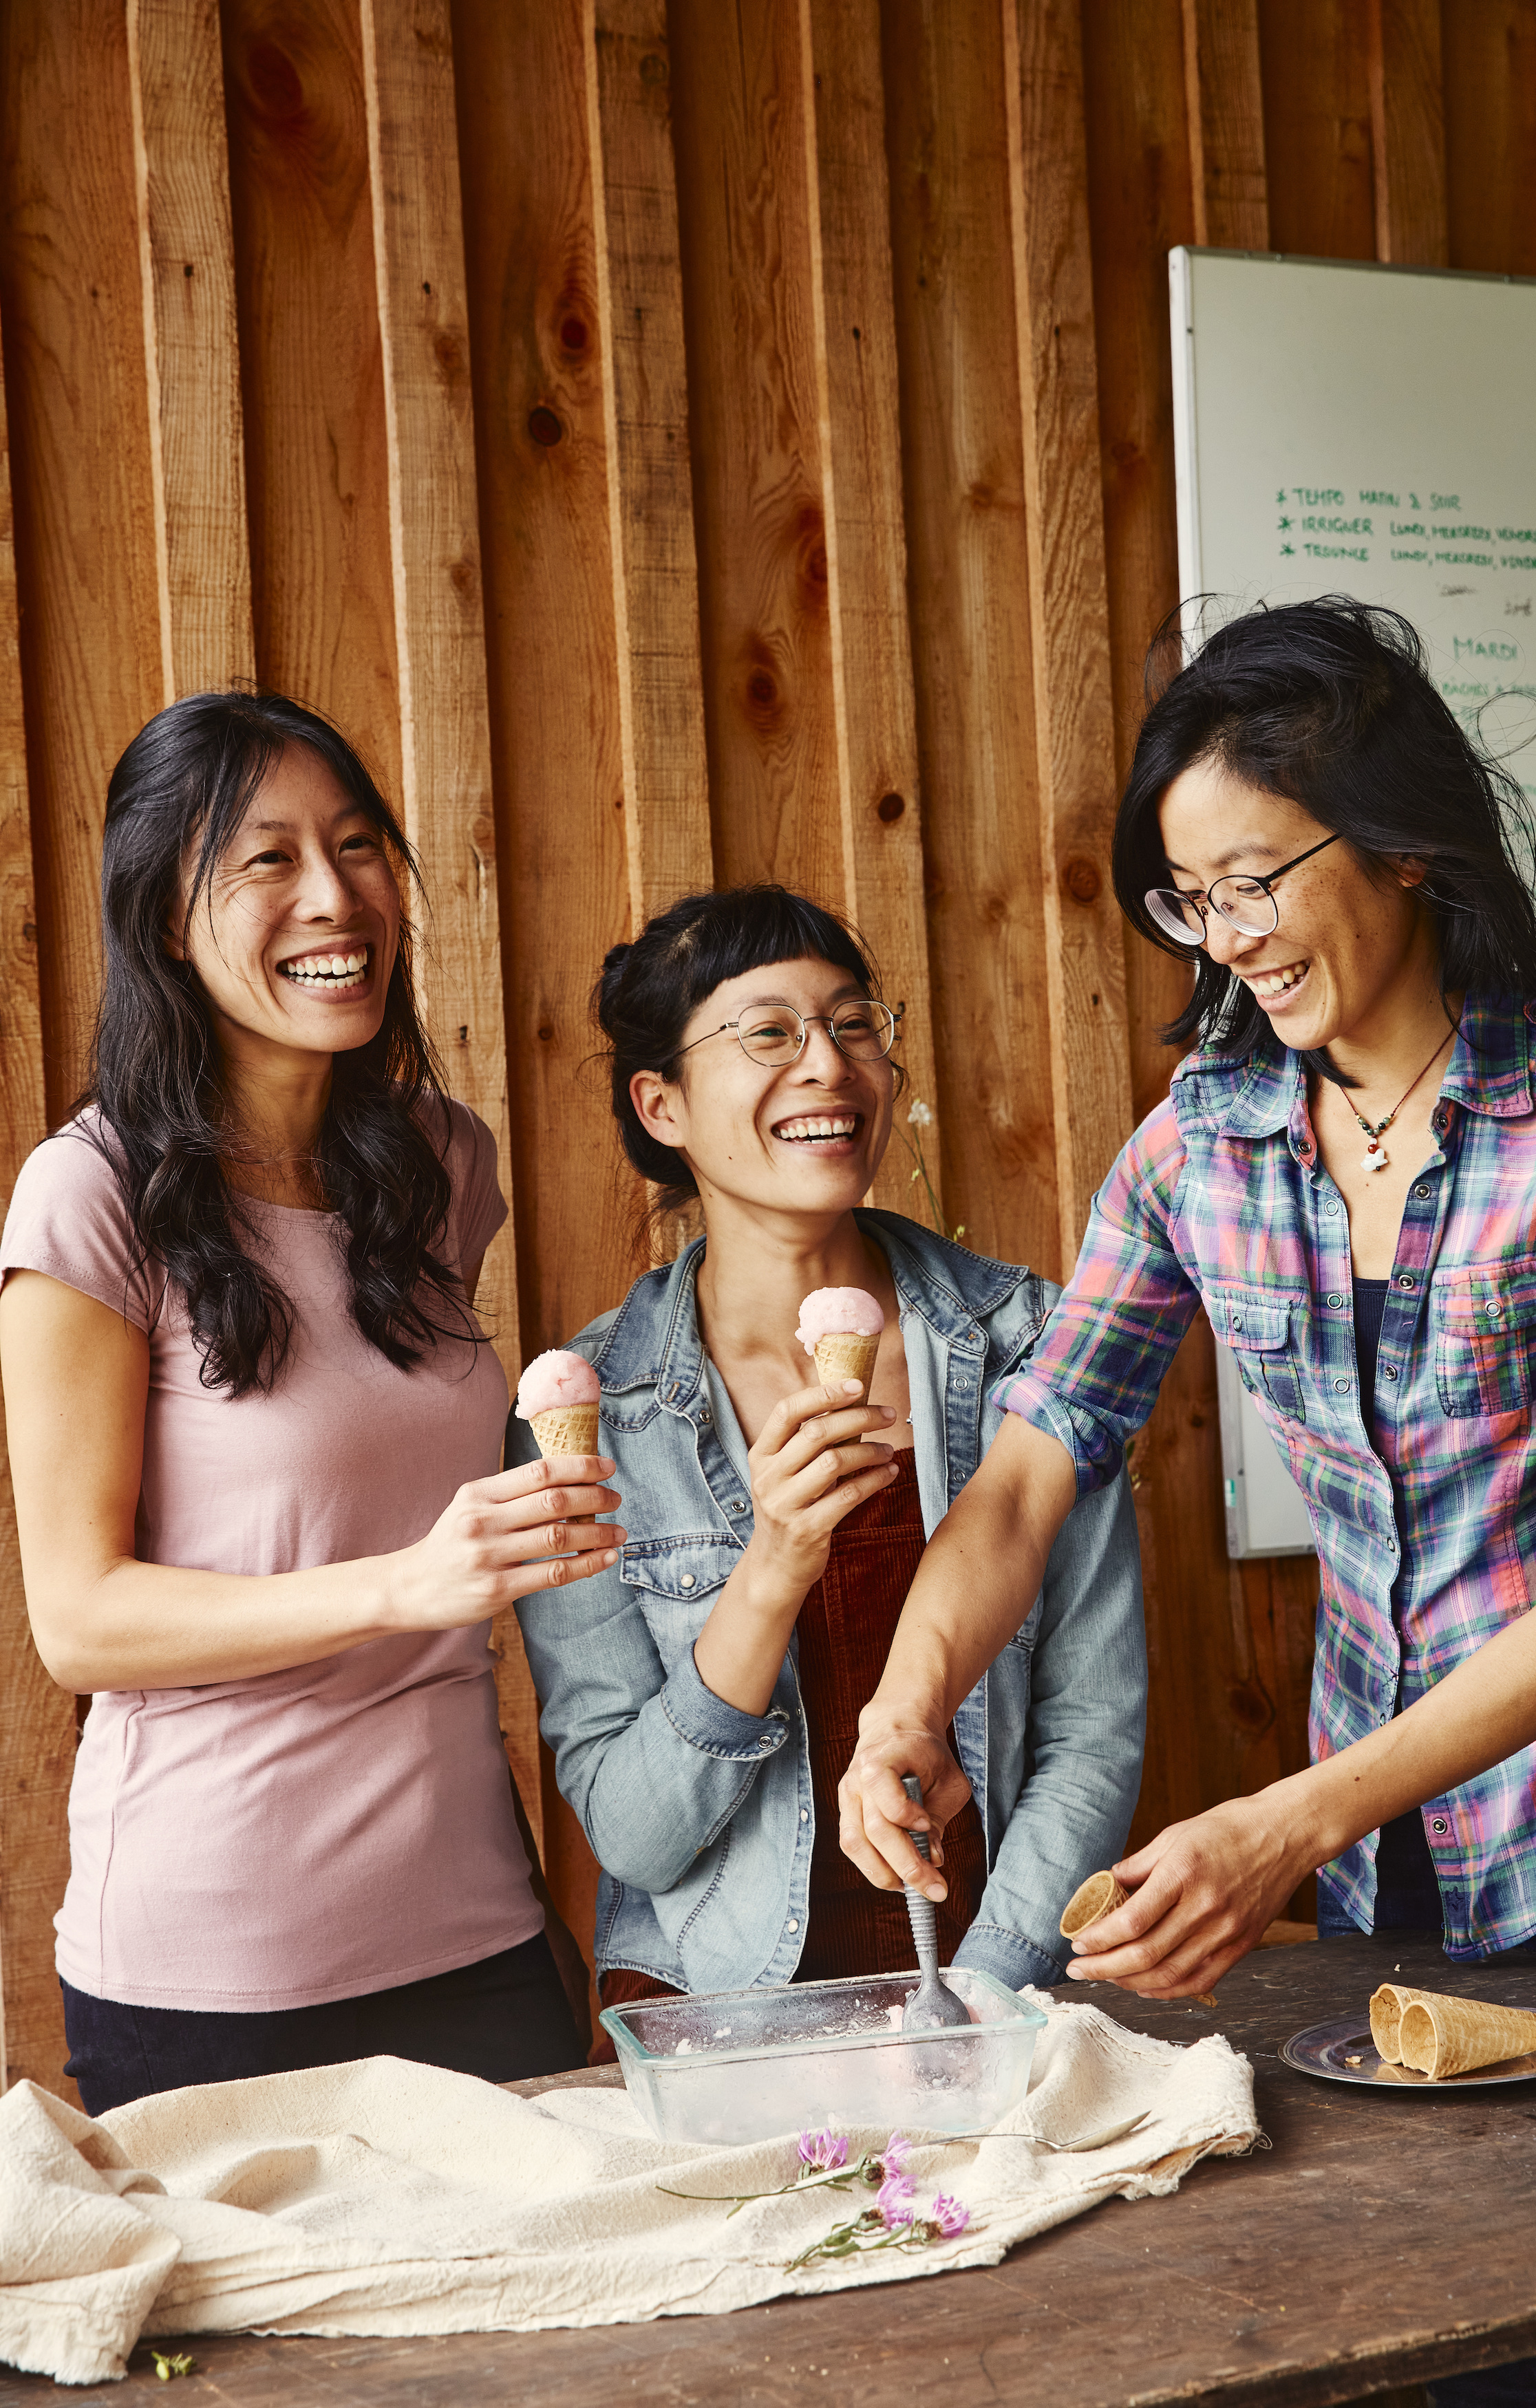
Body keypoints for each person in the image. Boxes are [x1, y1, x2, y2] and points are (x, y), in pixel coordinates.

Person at [838, 597, 1536, 2408]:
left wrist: (1267, 1826)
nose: (1228, 936)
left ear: (1401, 840)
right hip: (1381, 1872)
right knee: (1414, 2327)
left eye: (1253, 877)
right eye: (1191, 898)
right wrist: (904, 1697)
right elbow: (1031, 1465)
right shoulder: (1197, 1143)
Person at [0, 691, 621, 2114]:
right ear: (166, 918)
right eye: (266, 861)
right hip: (216, 1969)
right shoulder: (90, 1197)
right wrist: (408, 1582)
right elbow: (80, 1617)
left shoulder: (438, 1164)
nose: (334, 896)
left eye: (356, 845)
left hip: (477, 1928)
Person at [510, 885, 1145, 2041]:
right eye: (767, 1033)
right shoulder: (593, 1412)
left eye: (853, 1024)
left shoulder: (1030, 1345)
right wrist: (774, 1562)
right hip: (713, 2018)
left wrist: (985, 1994)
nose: (828, 1066)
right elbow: (635, 1836)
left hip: (1003, 1985)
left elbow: (1089, 1732)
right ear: (661, 1105)